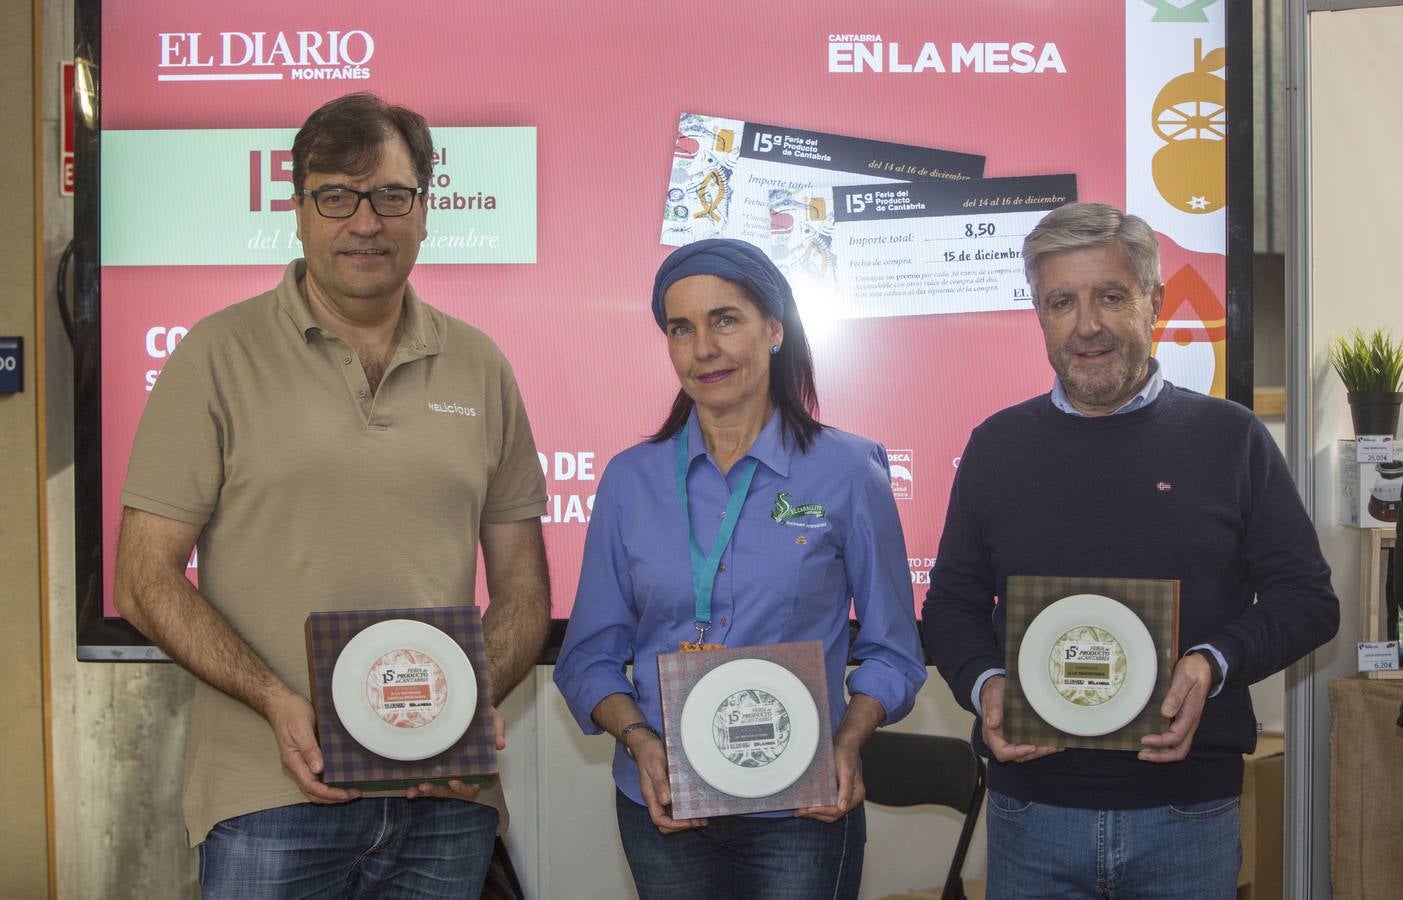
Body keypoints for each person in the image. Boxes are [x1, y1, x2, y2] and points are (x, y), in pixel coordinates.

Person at [113, 92, 550, 898]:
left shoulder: (481, 366)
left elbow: (523, 587)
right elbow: (142, 580)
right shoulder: (216, 354)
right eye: (336, 196)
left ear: (426, 208)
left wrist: (466, 710)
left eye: (391, 195)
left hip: (443, 805)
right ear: (299, 209)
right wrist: (277, 702)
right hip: (270, 799)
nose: (365, 222)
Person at [923, 202, 1338, 899]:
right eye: (1062, 302)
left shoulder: (1230, 439)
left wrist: (1212, 664)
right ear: (1040, 316)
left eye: (1110, 296)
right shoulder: (996, 446)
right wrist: (985, 684)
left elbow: (1308, 600)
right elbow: (952, 606)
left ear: (1154, 304)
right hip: (1031, 815)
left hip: (1188, 815)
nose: (1087, 325)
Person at [553, 238, 927, 899]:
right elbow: (587, 657)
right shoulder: (628, 481)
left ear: (774, 328)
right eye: (681, 328)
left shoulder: (847, 473)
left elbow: (894, 650)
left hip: (802, 808)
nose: (703, 349)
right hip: (664, 803)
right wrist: (640, 742)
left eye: (724, 319)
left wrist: (847, 741)